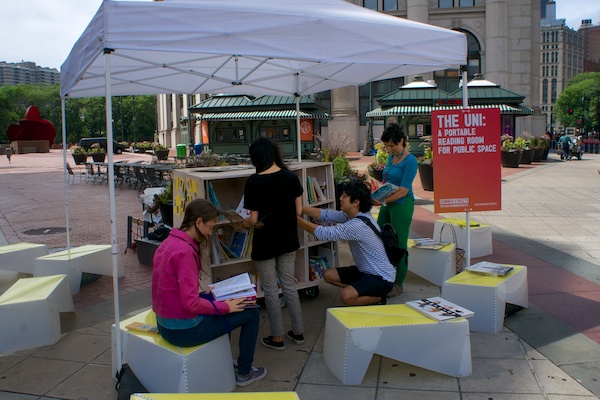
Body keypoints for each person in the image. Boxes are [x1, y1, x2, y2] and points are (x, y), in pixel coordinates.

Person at [151, 198, 266, 387]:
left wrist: (219, 303)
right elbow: (190, 304)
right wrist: (224, 307)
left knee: (222, 308)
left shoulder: (168, 243)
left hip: (165, 325)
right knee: (251, 313)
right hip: (183, 330)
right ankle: (245, 372)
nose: (211, 233)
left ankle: (223, 361)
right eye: (211, 227)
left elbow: (173, 290)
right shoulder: (186, 252)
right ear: (198, 222)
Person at [243, 137, 305, 351]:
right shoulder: (291, 177)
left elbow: (252, 219)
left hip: (265, 243)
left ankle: (276, 337)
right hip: (288, 240)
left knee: (270, 290)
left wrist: (242, 223)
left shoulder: (253, 182)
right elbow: (298, 211)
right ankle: (298, 332)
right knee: (289, 286)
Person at [297, 181, 396, 306]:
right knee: (328, 275)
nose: (340, 198)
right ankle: (362, 290)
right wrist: (299, 209)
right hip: (365, 271)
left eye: (345, 196)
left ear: (356, 202)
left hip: (381, 277)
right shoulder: (357, 214)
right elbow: (326, 215)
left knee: (346, 297)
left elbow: (323, 233)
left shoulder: (357, 225)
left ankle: (379, 298)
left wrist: (294, 217)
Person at [375, 123, 417, 297]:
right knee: (379, 237)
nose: (389, 149)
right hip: (388, 202)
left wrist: (381, 200)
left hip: (402, 204)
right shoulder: (392, 157)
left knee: (399, 244)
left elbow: (404, 190)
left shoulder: (411, 160)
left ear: (402, 141)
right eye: (387, 146)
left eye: (392, 145)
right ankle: (384, 275)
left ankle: (398, 283)